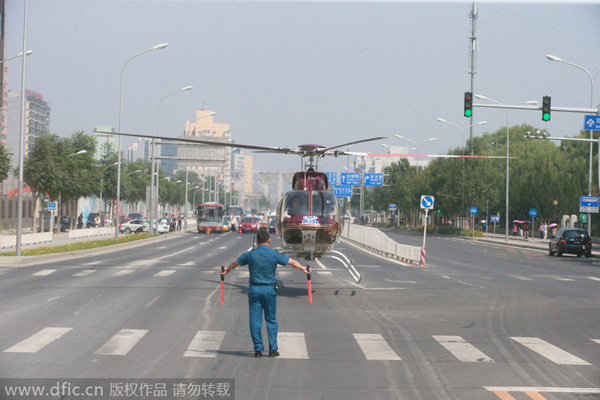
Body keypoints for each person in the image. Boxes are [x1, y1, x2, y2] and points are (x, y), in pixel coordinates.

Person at [221, 230, 309, 358]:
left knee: (255, 321)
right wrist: (303, 269)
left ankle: (258, 350)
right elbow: (292, 262)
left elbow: (235, 263)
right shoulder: (274, 254)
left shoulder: (250, 254)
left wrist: (226, 271)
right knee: (271, 320)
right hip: (269, 290)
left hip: (255, 290)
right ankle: (273, 349)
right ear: (269, 240)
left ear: (257, 241)